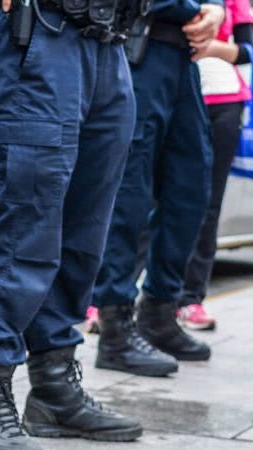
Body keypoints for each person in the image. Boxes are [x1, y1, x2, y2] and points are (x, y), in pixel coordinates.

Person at [0, 0, 148, 450]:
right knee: (24, 226)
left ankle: (54, 387)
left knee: (86, 230)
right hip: (43, 32)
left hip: (111, 44)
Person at [94, 0, 225, 377]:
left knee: (191, 187)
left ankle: (159, 312)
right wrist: (193, 9)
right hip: (137, 50)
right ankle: (115, 328)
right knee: (129, 195)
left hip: (182, 59)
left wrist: (214, 9)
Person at [180, 0, 253, 330]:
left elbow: (248, 50)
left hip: (223, 104)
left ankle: (190, 299)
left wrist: (211, 47)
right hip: (172, 93)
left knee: (208, 205)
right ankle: (108, 301)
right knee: (147, 198)